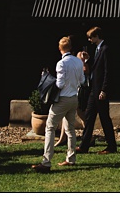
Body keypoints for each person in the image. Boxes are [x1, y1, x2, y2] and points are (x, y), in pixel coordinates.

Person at [32, 36, 84, 172]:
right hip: (74, 98)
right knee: (70, 129)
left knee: (50, 127)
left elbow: (60, 84)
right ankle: (71, 158)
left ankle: (46, 161)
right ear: (71, 47)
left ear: (60, 48)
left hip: (63, 99)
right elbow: (82, 80)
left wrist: (50, 82)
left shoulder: (61, 63)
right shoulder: (78, 62)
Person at [76, 26, 117, 154]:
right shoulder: (98, 49)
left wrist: (104, 90)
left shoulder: (105, 49)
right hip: (94, 89)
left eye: (90, 37)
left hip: (100, 90)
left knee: (104, 118)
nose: (89, 40)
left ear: (96, 36)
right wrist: (88, 59)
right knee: (89, 117)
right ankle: (84, 146)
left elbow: (107, 71)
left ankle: (111, 146)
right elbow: (96, 68)